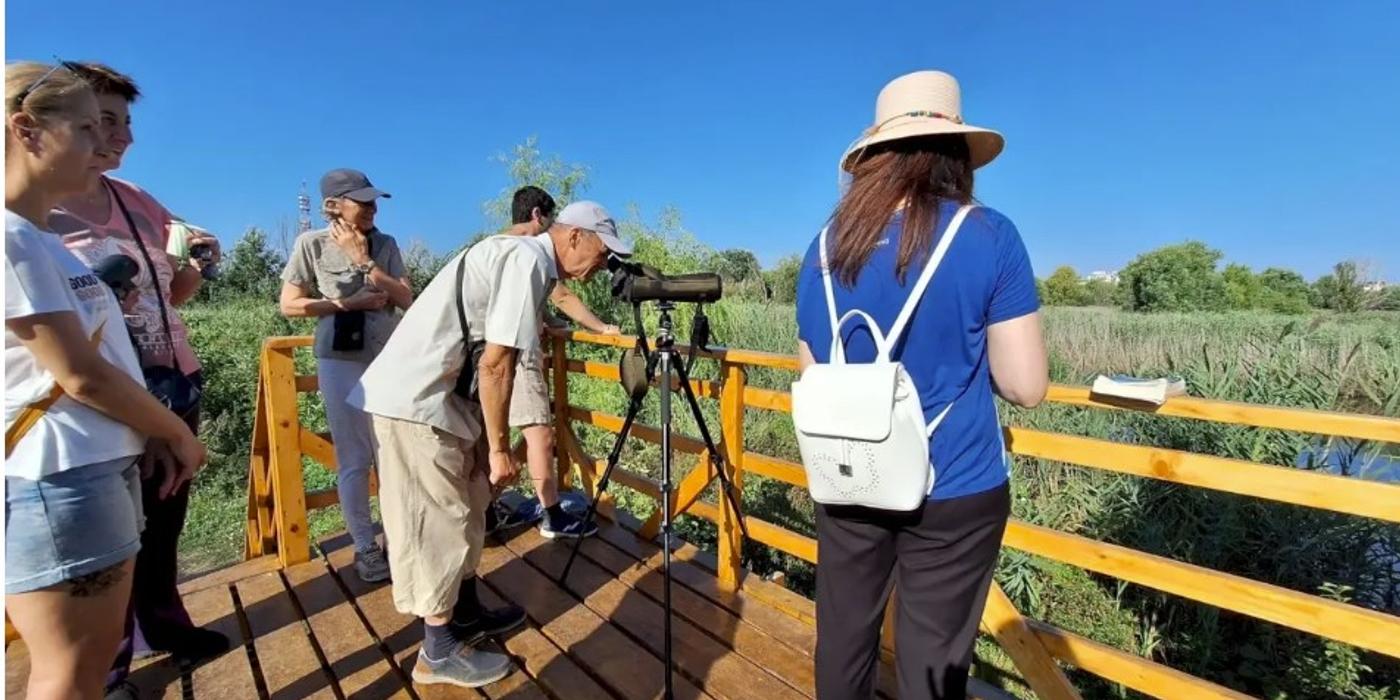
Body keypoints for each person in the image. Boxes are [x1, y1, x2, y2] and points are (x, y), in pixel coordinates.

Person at [795, 70, 1047, 699]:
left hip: (850, 474)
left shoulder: (824, 248)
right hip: (953, 484)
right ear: (957, 157)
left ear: (871, 162)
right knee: (931, 660)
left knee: (844, 636)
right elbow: (1025, 385)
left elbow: (811, 371)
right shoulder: (988, 234)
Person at [350, 200, 631, 688]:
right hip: (416, 402)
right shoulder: (526, 260)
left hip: (442, 400)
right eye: (603, 254)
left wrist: (485, 443)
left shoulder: (523, 258)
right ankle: (437, 653)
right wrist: (498, 449)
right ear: (574, 237)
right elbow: (496, 363)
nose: (602, 266)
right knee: (437, 520)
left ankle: (465, 614)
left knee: (468, 504)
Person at [5, 60, 206, 700]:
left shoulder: (51, 232)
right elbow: (80, 374)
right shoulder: (18, 237)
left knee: (79, 665)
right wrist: (171, 429)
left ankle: (157, 633)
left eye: (113, 125)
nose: (108, 144)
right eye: (92, 128)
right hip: (63, 467)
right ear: (28, 131)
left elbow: (151, 311)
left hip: (112, 437)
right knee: (71, 671)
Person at [280, 168, 413, 583]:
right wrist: (344, 305)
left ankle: (399, 539)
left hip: (387, 357)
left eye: (375, 201)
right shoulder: (310, 245)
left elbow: (407, 297)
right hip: (339, 358)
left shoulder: (385, 245)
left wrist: (364, 261)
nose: (373, 208)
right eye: (363, 201)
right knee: (354, 458)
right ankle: (365, 546)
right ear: (334, 205)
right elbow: (290, 305)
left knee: (392, 454)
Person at [491, 185, 621, 539]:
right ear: (538, 216)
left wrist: (543, 319)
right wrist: (601, 327)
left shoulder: (495, 247)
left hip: (492, 361)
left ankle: (487, 509)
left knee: (491, 442)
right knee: (540, 434)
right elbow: (561, 294)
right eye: (549, 221)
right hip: (514, 356)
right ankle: (551, 514)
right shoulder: (532, 256)